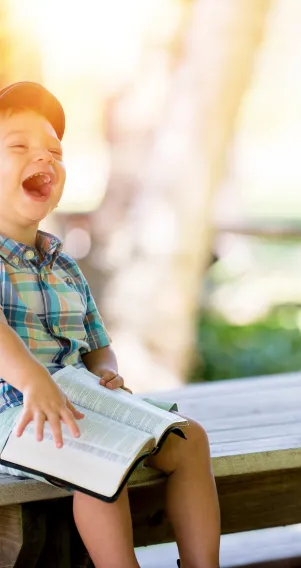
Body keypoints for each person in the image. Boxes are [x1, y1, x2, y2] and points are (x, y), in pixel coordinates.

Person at [0, 82, 220, 568]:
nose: (45, 158)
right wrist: (35, 380)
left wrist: (106, 371)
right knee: (101, 463)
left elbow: (97, 344)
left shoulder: (63, 264)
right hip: (14, 412)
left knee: (190, 440)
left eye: (54, 150)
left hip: (80, 397)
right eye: (19, 146)